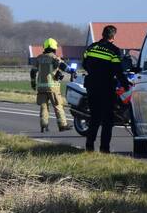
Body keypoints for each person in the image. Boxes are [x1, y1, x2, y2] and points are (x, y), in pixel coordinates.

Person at [81, 25, 128, 153]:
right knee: (107, 120)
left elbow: (84, 64)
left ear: (102, 34)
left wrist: (94, 73)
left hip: (91, 86)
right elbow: (118, 71)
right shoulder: (114, 50)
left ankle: (89, 146)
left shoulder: (91, 47)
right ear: (113, 36)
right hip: (106, 88)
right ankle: (104, 149)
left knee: (95, 117)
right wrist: (126, 85)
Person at [30, 38, 72, 133]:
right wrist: (72, 71)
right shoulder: (54, 58)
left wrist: (33, 83)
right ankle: (62, 125)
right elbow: (65, 67)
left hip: (41, 87)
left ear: (45, 47)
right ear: (54, 47)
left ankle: (44, 126)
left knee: (44, 106)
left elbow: (33, 71)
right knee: (57, 106)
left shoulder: (39, 58)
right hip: (52, 87)